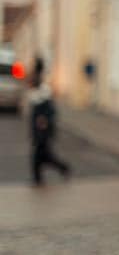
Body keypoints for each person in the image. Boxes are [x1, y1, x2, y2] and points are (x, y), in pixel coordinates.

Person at [28, 57, 70, 186]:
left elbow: (49, 111)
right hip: (39, 129)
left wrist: (44, 121)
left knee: (39, 155)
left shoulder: (43, 91)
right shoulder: (37, 90)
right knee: (44, 155)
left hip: (43, 130)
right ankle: (60, 169)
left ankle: (38, 178)